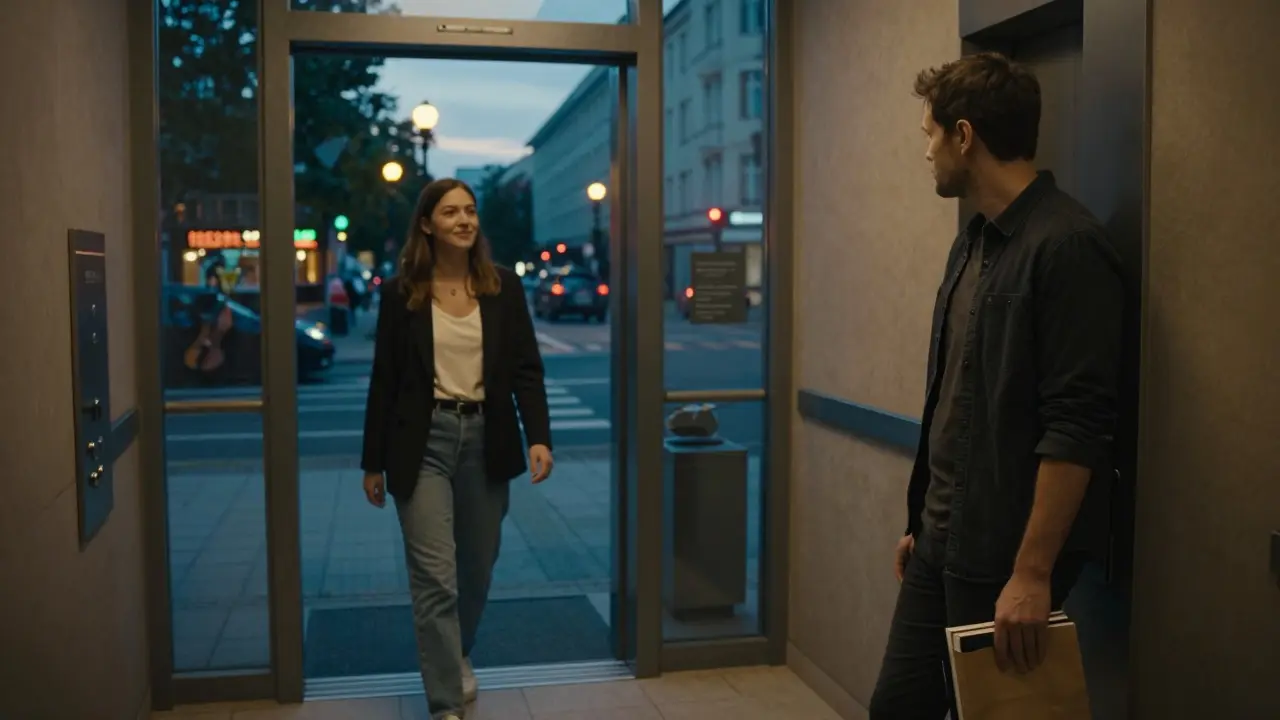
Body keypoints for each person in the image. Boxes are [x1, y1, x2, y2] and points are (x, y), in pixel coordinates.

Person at [868, 52, 1125, 718]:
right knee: (897, 707)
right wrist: (922, 519)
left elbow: (1078, 425)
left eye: (930, 134)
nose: (926, 152)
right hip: (940, 540)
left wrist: (1034, 573)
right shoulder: (973, 242)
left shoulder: (1067, 245)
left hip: (1003, 553)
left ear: (963, 135)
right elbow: (955, 399)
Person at [360, 178, 554, 720]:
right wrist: (371, 461)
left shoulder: (502, 289)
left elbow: (526, 371)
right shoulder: (401, 294)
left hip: (485, 439)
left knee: (477, 567)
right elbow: (385, 380)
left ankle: (456, 652)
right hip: (421, 443)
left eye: (470, 211)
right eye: (451, 212)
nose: (465, 220)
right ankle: (445, 702)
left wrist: (538, 435)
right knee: (435, 578)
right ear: (427, 224)